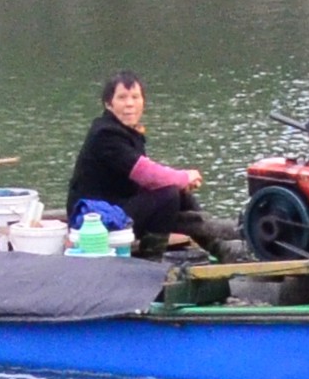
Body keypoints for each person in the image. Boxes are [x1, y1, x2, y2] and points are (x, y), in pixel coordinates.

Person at [66, 73, 221, 256]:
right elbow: (144, 173)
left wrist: (181, 184)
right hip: (96, 219)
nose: (129, 104)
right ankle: (150, 260)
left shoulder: (126, 132)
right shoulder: (105, 134)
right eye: (122, 98)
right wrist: (184, 177)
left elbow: (146, 179)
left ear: (143, 102)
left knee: (176, 192)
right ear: (109, 104)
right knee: (169, 194)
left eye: (135, 97)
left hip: (116, 208)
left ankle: (219, 248)